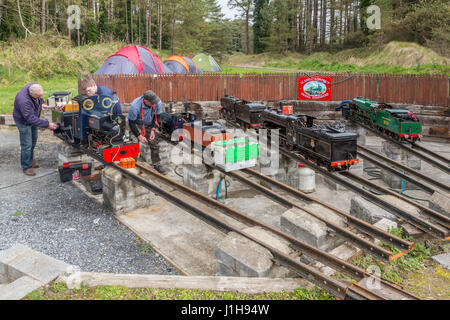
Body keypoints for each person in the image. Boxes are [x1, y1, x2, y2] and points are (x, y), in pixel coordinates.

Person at [13, 83, 58, 176]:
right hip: (24, 122)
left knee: (33, 140)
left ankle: (30, 158)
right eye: (37, 96)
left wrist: (42, 105)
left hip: (33, 118)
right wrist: (47, 124)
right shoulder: (23, 101)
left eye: (40, 96)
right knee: (27, 144)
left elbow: (36, 101)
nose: (39, 98)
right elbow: (30, 118)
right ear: (30, 93)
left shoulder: (33, 87)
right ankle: (26, 167)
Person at [128, 90, 167, 174]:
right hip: (136, 124)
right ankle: (131, 164)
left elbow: (158, 117)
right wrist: (139, 136)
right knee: (134, 144)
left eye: (154, 103)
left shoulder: (157, 102)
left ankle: (156, 164)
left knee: (154, 143)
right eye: (152, 103)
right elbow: (131, 122)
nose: (154, 105)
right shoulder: (135, 106)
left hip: (149, 124)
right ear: (145, 100)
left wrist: (153, 129)